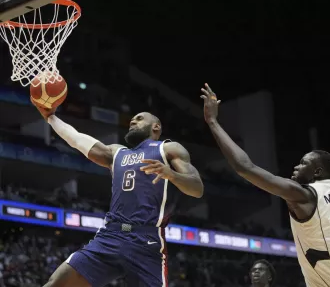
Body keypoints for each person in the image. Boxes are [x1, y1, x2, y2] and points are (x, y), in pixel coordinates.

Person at [200, 84, 330, 287]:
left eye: (304, 163)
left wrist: (213, 122)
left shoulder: (304, 195)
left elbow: (244, 167)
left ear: (317, 172)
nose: (296, 166)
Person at [32, 101, 204, 287]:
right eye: (131, 120)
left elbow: (197, 189)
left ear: (156, 126)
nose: (133, 122)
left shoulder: (168, 149)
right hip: (110, 235)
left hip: (146, 240)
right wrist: (51, 118)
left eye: (139, 119)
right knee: (56, 283)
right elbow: (77, 139)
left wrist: (172, 174)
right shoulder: (117, 152)